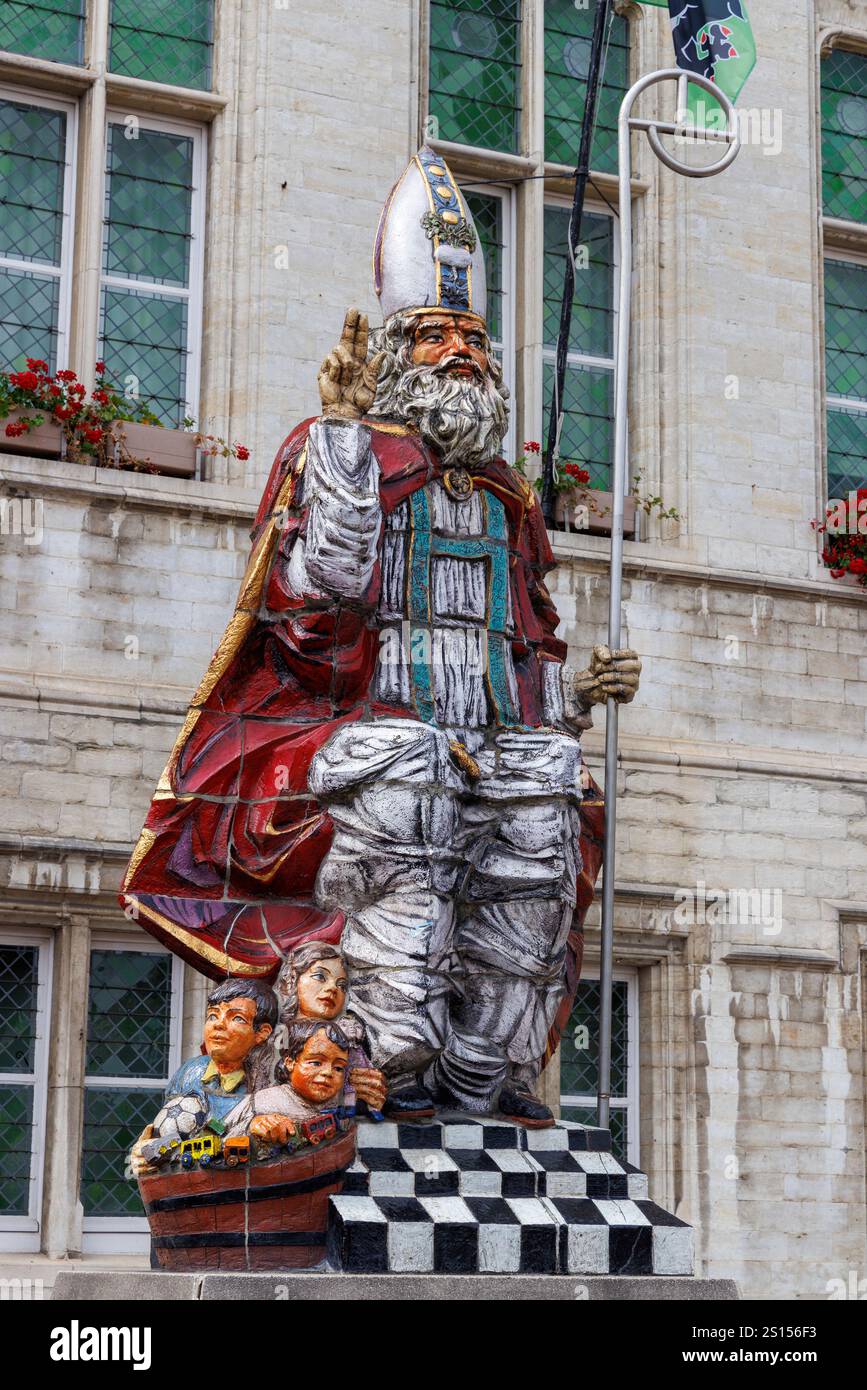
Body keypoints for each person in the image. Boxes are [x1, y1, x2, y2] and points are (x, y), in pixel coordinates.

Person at [121, 146, 639, 1128]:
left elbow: (522, 660)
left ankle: (482, 1074)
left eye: (474, 340)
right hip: (346, 733)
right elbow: (315, 611)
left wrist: (575, 699)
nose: (464, 356)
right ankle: (389, 1056)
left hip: (483, 737)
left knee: (550, 779)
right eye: (439, 336)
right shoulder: (344, 452)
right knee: (416, 771)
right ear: (400, 350)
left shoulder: (504, 497)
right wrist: (347, 442)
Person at [129, 978, 277, 1176]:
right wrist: (143, 1151)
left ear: (262, 1033)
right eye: (213, 1015)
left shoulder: (269, 1081)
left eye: (236, 1018)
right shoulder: (190, 1072)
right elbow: (166, 1126)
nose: (219, 1025)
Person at [271, 941, 386, 1115]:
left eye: (342, 985)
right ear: (291, 981)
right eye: (320, 976)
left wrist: (369, 1092)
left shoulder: (349, 1040)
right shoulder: (274, 1037)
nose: (333, 988)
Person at [223, 1020, 352, 1144]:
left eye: (338, 1068)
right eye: (316, 1063)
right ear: (290, 1062)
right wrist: (252, 1125)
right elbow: (222, 1135)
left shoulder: (337, 1107)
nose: (328, 1072)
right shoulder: (261, 1102)